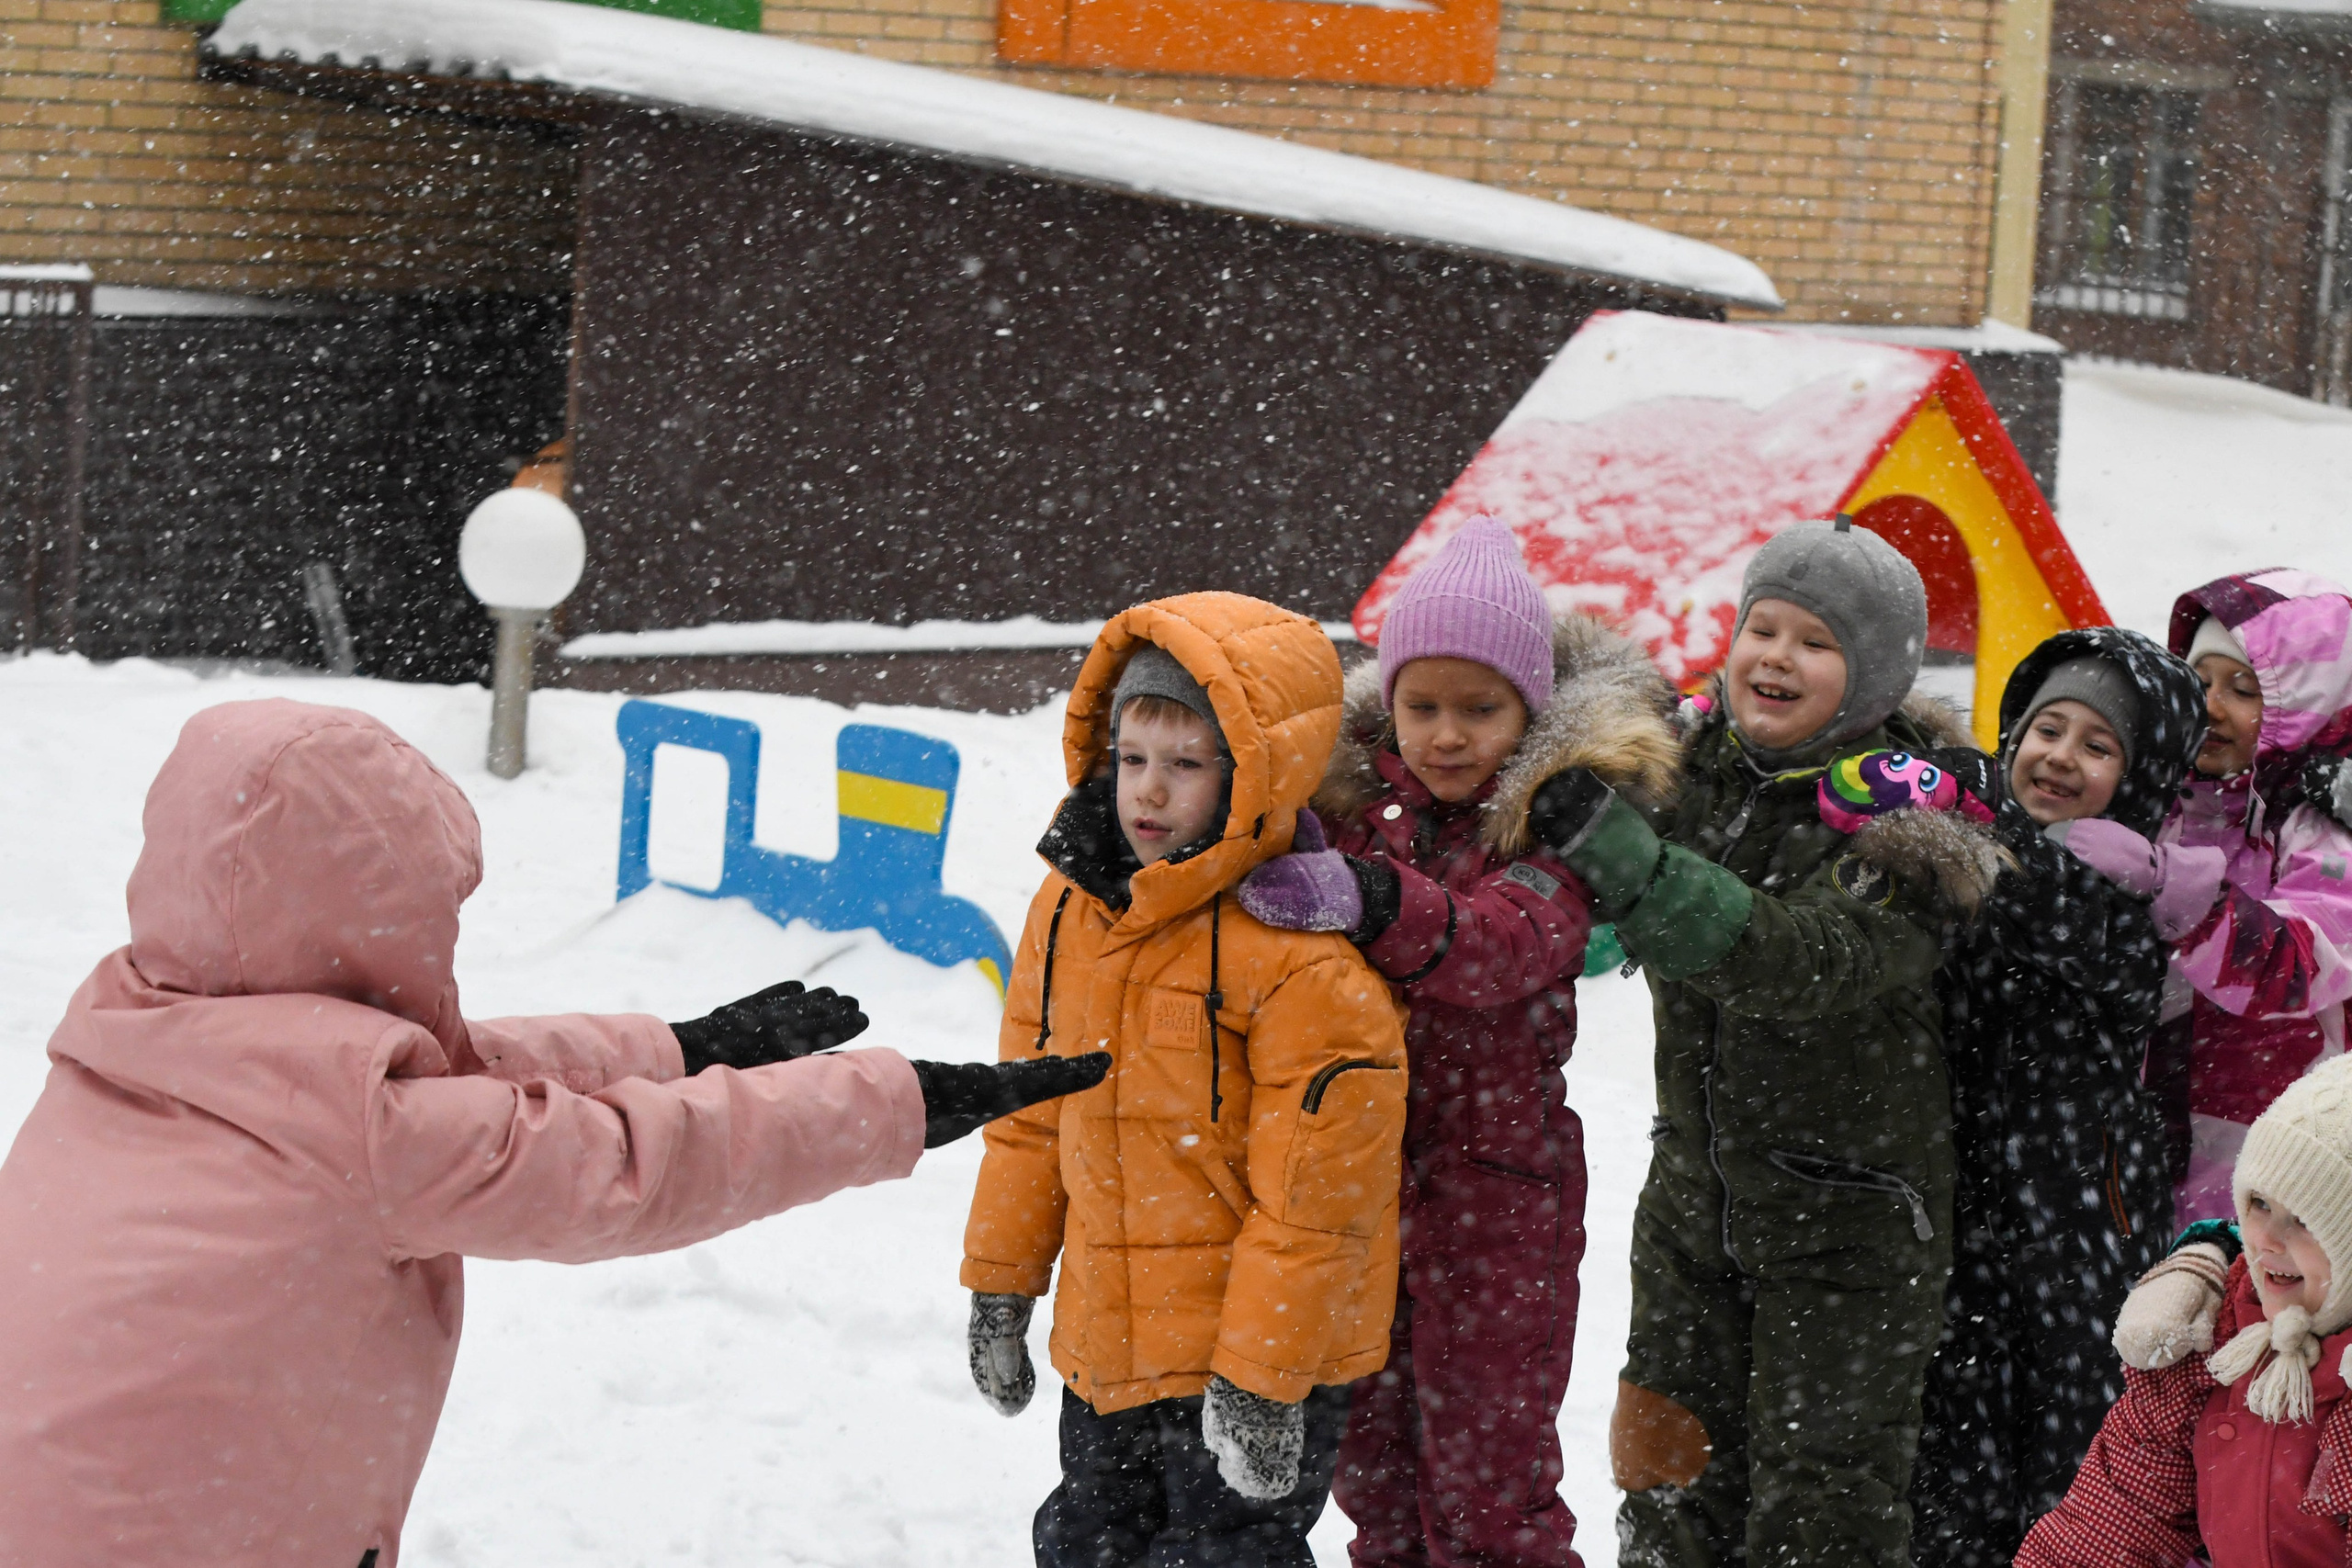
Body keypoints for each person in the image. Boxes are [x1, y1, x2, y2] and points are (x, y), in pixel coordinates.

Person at [0, 698, 1104, 1568]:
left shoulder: (133, 1034)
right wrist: (897, 1101)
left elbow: (427, 1086)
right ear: (354, 926)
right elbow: (623, 1166)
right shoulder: (370, 1137)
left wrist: (675, 1045)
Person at [1532, 515, 2006, 1566]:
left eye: (1815, 641)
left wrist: (1636, 868)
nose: (1777, 657)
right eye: (1763, 628)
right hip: (1693, 1214)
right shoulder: (1688, 764)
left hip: (1853, 1229)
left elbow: (1803, 963)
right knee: (1667, 1476)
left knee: (1822, 1504)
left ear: (1873, 674)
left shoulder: (1912, 824)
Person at [1234, 516, 1679, 1568]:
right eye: (1420, 706)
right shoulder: (1345, 814)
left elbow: (1502, 947)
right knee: (1374, 1480)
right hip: (1355, 1190)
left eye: (1478, 709)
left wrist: (1375, 897)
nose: (1444, 734)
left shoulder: (1547, 827)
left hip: (1499, 1202)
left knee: (1491, 1495)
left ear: (1527, 711)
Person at [959, 592, 1410, 1568]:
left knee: (1224, 1558)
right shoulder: (1072, 906)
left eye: (1187, 765)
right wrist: (1002, 1284)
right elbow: (1030, 1116)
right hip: (1106, 1341)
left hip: (1244, 1361)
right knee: (1088, 1544)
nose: (1149, 794)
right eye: (1132, 760)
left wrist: (1260, 1378)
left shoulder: (1300, 958)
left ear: (1254, 773)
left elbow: (1319, 1202)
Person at [1905, 628, 2207, 1568]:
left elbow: (2044, 910)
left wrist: (1965, 803)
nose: (2060, 758)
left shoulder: (2126, 893)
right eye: (2046, 729)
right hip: (1962, 1205)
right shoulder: (1969, 848)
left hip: (2081, 1225)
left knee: (2069, 1460)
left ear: (2140, 775)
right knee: (1952, 1452)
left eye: (2096, 745)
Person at [2016, 1052, 2352, 1567]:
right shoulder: (2216, 1341)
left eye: (2306, 1220)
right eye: (2260, 1203)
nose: (2268, 1241)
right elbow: (2113, 1526)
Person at [2147, 570, 2352, 1222]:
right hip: (2144, 1126)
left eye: (2245, 688)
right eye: (2199, 680)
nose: (2210, 705)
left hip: (2275, 1142)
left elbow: (2298, 964)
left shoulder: (2321, 823)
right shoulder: (2160, 796)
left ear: (2306, 708)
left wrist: (2186, 901)